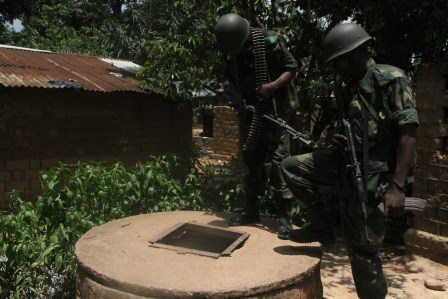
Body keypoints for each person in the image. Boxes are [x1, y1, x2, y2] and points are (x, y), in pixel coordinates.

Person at [280, 23, 418, 298]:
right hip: (345, 167)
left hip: (376, 180)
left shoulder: (390, 79)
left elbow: (409, 131)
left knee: (364, 253)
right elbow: (355, 129)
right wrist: (336, 136)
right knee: (291, 167)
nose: (335, 69)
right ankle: (321, 226)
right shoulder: (350, 88)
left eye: (338, 62)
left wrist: (398, 187)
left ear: (354, 55)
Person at [214, 13, 299, 231]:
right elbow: (230, 79)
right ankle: (251, 211)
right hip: (251, 114)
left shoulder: (269, 40)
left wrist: (271, 87)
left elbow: (291, 68)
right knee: (251, 162)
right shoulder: (231, 49)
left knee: (280, 165)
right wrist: (236, 99)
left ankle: (285, 219)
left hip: (275, 113)